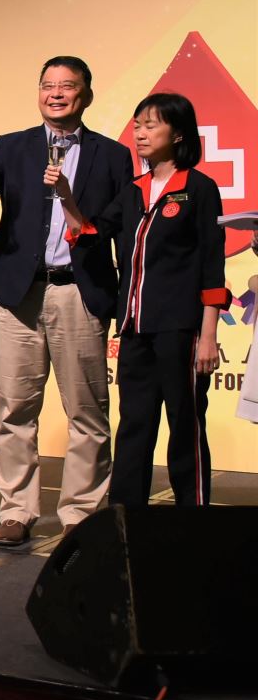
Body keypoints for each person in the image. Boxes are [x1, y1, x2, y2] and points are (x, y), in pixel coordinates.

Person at [0, 57, 134, 544]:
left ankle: (80, 514)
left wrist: (73, 205)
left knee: (86, 410)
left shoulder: (111, 155)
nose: (56, 94)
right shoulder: (15, 145)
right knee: (14, 408)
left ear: (86, 94)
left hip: (78, 289)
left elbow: (112, 225)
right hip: (17, 291)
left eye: (67, 86)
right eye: (48, 86)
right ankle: (17, 510)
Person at [53, 92, 228, 506]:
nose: (141, 133)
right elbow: (90, 235)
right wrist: (65, 196)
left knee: (185, 422)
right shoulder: (134, 191)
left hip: (180, 328)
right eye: (137, 125)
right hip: (133, 328)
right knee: (134, 425)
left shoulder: (199, 189)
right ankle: (125, 520)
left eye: (151, 125)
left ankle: (193, 516)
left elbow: (211, 266)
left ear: (178, 132)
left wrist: (207, 336)